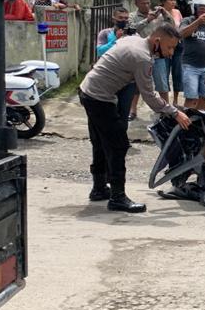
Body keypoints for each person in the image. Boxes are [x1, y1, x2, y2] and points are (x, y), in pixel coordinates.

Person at [79, 24, 192, 213]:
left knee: (100, 143)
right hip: (99, 99)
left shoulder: (134, 40)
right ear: (157, 41)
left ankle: (99, 188)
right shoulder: (142, 58)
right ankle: (117, 198)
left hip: (88, 91)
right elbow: (149, 96)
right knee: (118, 146)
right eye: (169, 47)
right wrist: (174, 112)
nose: (171, 53)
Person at [178, 0, 205, 110]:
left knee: (204, 97)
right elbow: (180, 34)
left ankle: (198, 120)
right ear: (194, 8)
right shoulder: (188, 20)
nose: (204, 11)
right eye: (201, 8)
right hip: (191, 66)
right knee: (191, 98)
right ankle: (186, 123)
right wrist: (198, 22)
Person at [155, 0, 183, 105]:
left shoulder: (177, 12)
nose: (173, 2)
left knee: (177, 72)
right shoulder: (158, 13)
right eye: (171, 0)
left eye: (174, 0)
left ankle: (176, 100)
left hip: (177, 46)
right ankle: (164, 102)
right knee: (163, 73)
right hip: (163, 47)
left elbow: (180, 28)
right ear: (164, 1)